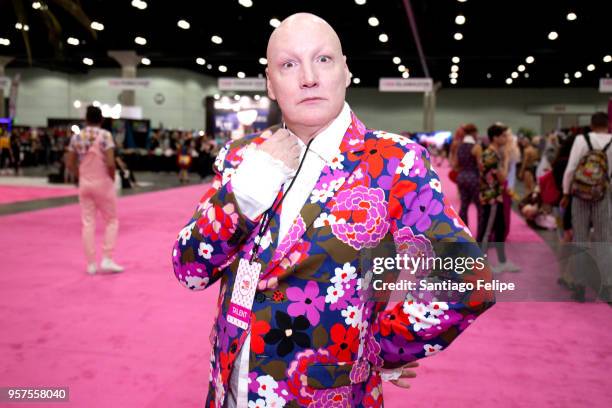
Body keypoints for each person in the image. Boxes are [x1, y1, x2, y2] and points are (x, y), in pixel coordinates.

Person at [172, 13, 493, 408]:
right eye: (289, 65)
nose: (308, 77)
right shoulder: (241, 157)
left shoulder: (395, 163)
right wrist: (243, 196)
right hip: (230, 391)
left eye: (323, 59)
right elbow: (190, 269)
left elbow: (465, 280)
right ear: (271, 84)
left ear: (346, 71)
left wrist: (378, 346)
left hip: (328, 397)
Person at [560, 112, 612, 303]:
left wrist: (566, 193)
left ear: (591, 125)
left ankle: (580, 286)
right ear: (608, 124)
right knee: (604, 239)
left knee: (580, 238)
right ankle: (607, 285)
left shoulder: (582, 140)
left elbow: (571, 168)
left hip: (580, 195)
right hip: (603, 195)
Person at [67, 106, 123, 275]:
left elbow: (69, 163)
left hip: (85, 183)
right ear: (102, 119)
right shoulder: (105, 135)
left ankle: (91, 264)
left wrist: (80, 176)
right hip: (103, 182)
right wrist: (111, 178)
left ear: (86, 119)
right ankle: (107, 258)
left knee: (88, 223)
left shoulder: (77, 137)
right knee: (111, 220)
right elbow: (111, 162)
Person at [478, 123, 520, 273]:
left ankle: (502, 261)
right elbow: (502, 178)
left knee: (500, 229)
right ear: (495, 138)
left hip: (497, 197)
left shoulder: (495, 153)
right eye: (502, 136)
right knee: (486, 231)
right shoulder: (490, 154)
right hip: (492, 198)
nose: (505, 138)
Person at [455, 123, 482, 230]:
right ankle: (481, 233)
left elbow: (456, 165)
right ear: (473, 133)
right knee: (479, 207)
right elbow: (480, 166)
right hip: (474, 178)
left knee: (464, 205)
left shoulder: (459, 146)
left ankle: (463, 232)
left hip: (461, 177)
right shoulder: (476, 147)